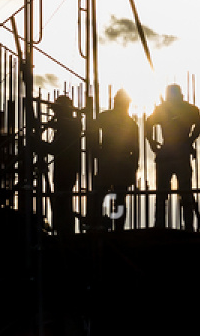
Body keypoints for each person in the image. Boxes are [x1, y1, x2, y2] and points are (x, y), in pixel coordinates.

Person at [145, 84, 200, 230]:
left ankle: (160, 224)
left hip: (168, 152)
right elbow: (199, 126)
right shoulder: (189, 109)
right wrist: (189, 141)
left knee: (163, 193)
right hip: (180, 152)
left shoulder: (163, 109)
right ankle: (188, 225)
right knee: (184, 192)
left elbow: (148, 124)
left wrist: (152, 142)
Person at [88, 89, 140, 230]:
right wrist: (133, 167)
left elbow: (91, 131)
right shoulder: (129, 123)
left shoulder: (108, 118)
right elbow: (135, 150)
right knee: (115, 199)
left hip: (111, 163)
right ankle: (114, 228)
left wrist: (95, 149)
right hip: (117, 164)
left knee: (104, 196)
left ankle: (103, 226)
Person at [42, 96, 84, 235]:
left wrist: (39, 144)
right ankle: (63, 231)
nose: (55, 114)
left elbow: (56, 149)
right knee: (62, 201)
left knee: (63, 201)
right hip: (64, 169)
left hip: (66, 169)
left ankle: (64, 233)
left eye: (57, 111)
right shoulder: (68, 125)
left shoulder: (71, 125)